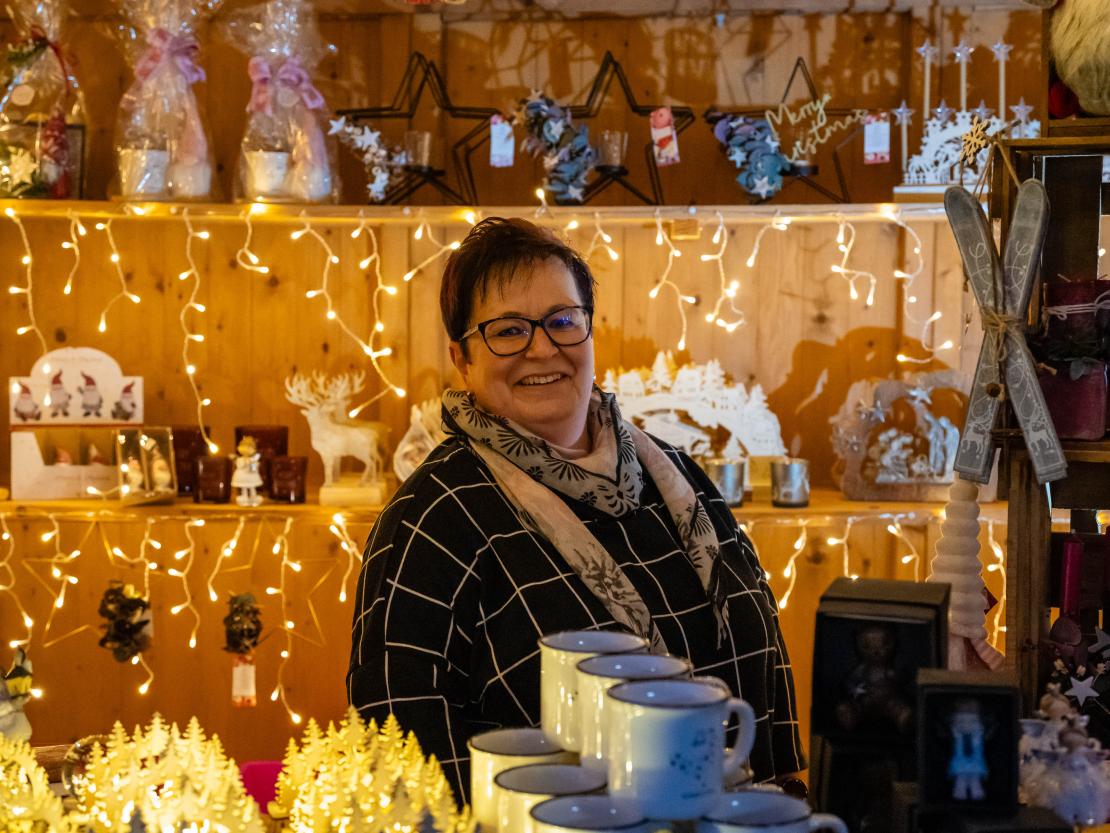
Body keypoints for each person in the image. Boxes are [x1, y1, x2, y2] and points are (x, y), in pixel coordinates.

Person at [348, 217, 804, 799]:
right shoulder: (432, 519)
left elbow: (759, 655)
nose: (543, 347)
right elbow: (399, 747)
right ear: (462, 357)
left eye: (563, 321)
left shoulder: (678, 477)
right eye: (508, 330)